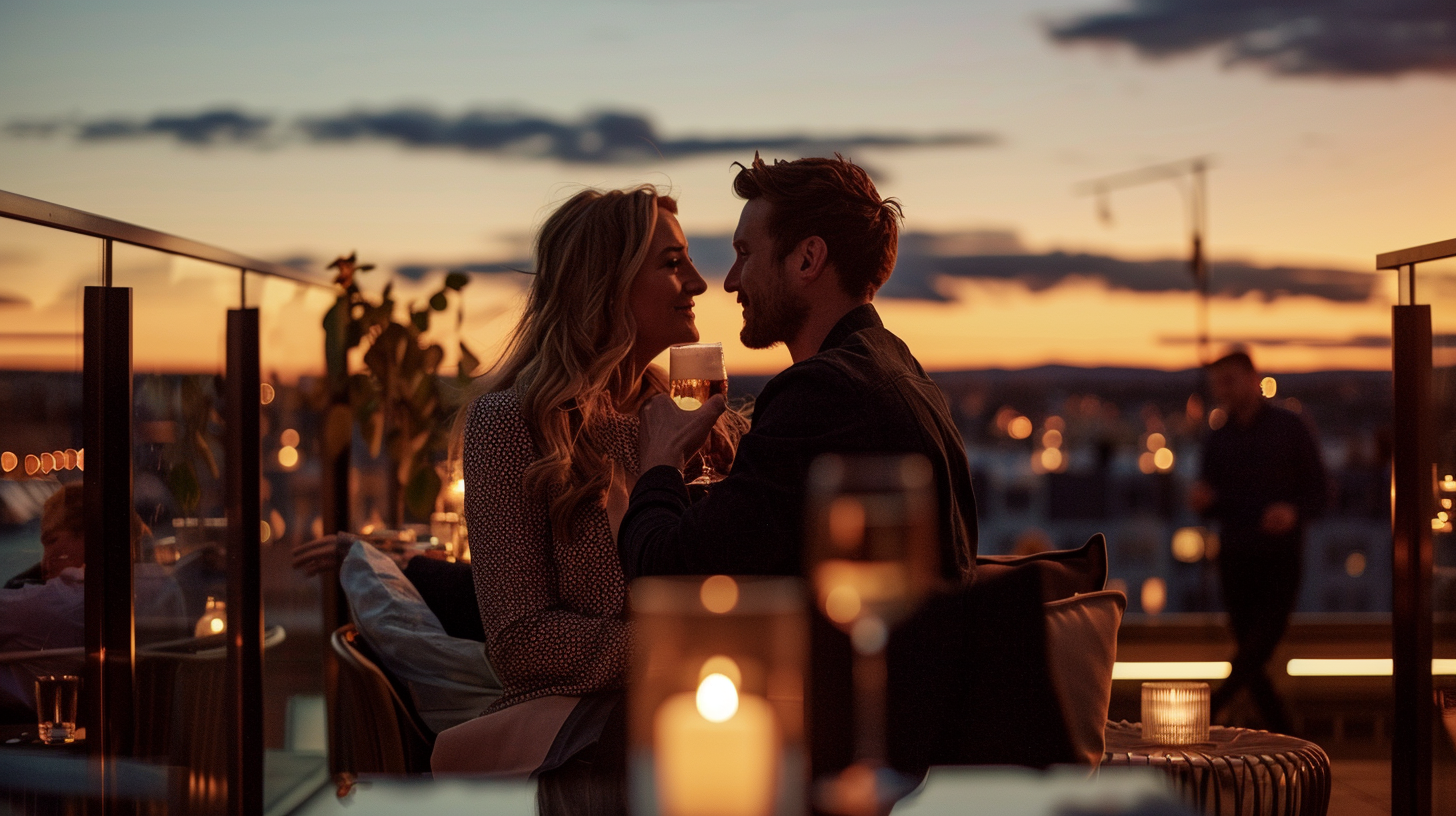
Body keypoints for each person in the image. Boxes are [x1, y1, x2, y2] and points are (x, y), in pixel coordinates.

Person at [433, 186, 745, 778]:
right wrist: (686, 650)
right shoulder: (513, 424)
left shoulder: (701, 424)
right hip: (578, 745)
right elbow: (521, 641)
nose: (700, 284)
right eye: (673, 263)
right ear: (607, 282)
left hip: (699, 721)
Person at [618, 155, 978, 583]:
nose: (731, 280)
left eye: (745, 253)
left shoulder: (824, 393)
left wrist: (660, 462)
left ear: (808, 259)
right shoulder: (902, 371)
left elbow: (669, 573)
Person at [1190, 350, 1326, 733]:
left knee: (1255, 652)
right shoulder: (1218, 437)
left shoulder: (1289, 428)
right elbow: (1210, 503)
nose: (1223, 390)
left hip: (1279, 558)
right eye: (1218, 383)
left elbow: (1320, 493)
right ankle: (1292, 741)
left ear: (1253, 379)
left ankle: (1209, 712)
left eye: (1229, 380)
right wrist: (1202, 502)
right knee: (1252, 658)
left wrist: (1293, 512)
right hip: (1235, 558)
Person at [0, 483, 186, 716]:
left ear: (90, 535)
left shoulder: (66, 600)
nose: (45, 560)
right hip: (158, 734)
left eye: (52, 541)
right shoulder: (164, 585)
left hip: (36, 740)